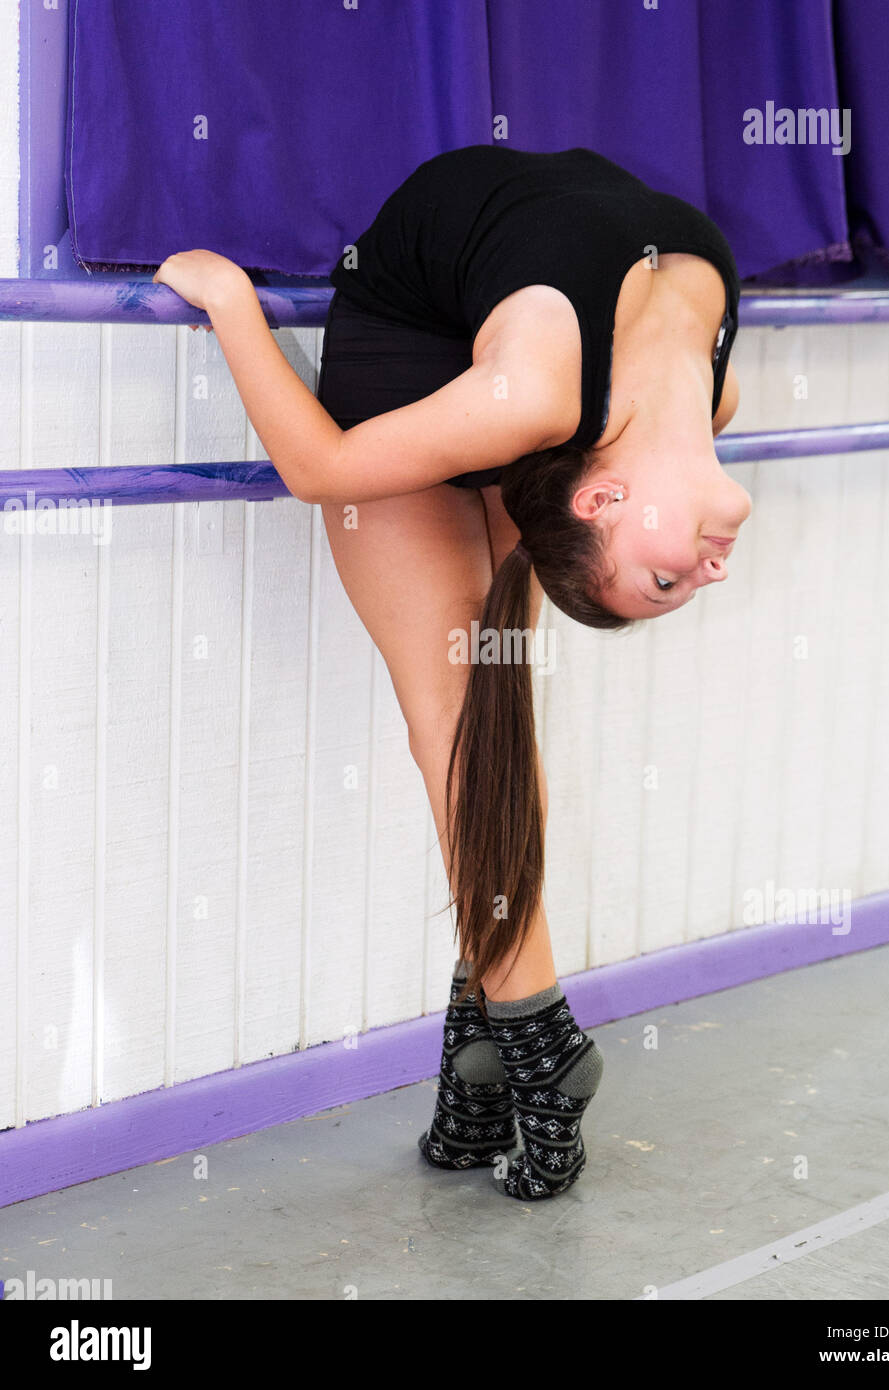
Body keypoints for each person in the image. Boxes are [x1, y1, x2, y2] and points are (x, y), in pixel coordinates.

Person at [152, 143, 752, 1200]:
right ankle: (534, 1035)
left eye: (663, 583)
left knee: (483, 719)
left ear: (598, 499)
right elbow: (321, 472)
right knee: (466, 716)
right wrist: (230, 299)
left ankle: (491, 1037)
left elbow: (334, 466)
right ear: (596, 497)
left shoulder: (637, 416)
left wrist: (228, 303)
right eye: (669, 585)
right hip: (429, 331)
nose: (703, 573)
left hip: (480, 346)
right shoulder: (704, 398)